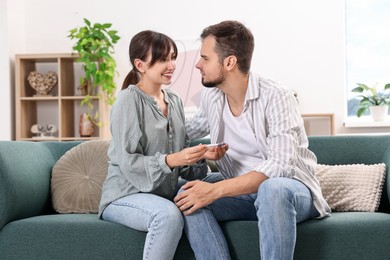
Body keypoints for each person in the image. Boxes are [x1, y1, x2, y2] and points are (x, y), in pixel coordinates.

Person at [174, 20, 331, 260]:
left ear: (229, 62)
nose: (198, 64)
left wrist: (215, 190)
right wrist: (156, 110)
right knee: (186, 193)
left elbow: (279, 166)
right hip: (241, 190)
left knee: (272, 189)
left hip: (289, 191)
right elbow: (187, 130)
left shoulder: (277, 96)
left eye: (205, 58)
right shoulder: (212, 95)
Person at [98, 30, 220, 260]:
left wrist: (201, 155)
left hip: (162, 189)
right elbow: (129, 162)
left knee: (219, 185)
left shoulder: (173, 100)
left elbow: (183, 165)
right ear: (140, 65)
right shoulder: (128, 100)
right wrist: (174, 159)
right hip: (125, 194)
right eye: (163, 59)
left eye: (173, 57)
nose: (172, 65)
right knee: (167, 216)